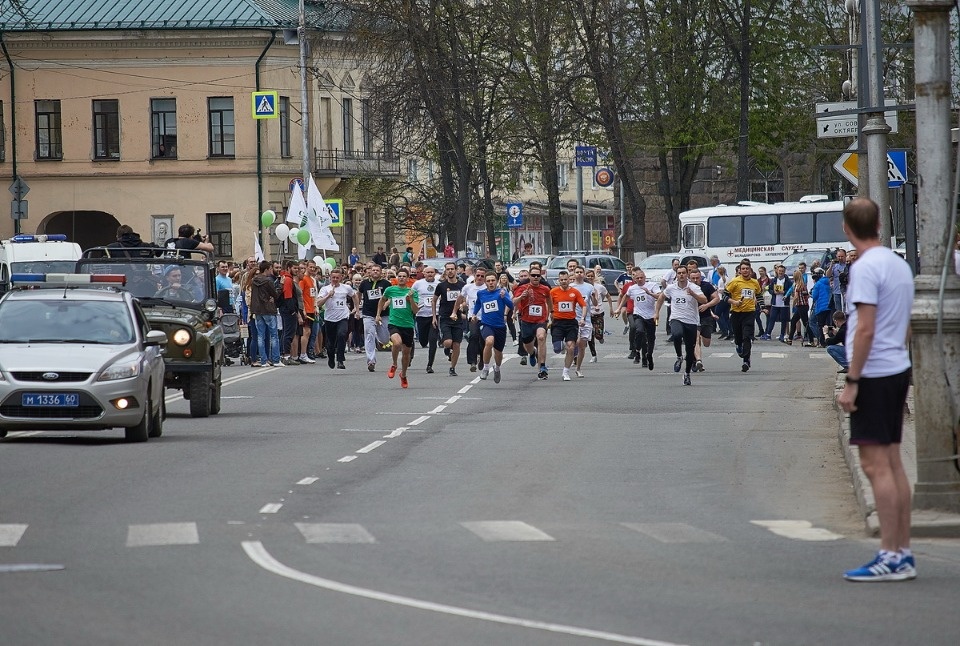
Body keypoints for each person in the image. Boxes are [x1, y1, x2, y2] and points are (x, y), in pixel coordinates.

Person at [836, 197, 915, 582]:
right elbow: (906, 323)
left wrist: (853, 381)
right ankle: (902, 551)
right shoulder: (898, 264)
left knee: (875, 465)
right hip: (895, 367)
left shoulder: (866, 268)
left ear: (846, 229)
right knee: (893, 462)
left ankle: (889, 554)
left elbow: (865, 327)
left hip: (874, 374)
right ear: (879, 225)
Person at [654, 265, 706, 385]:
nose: (681, 275)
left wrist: (693, 294)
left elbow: (704, 300)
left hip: (691, 321)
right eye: (679, 273)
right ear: (676, 275)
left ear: (687, 274)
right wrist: (656, 312)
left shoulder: (694, 287)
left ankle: (687, 374)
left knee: (690, 350)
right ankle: (679, 356)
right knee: (677, 334)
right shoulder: (671, 288)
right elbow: (661, 297)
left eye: (683, 273)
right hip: (676, 318)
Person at [376, 268, 419, 388]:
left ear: (408, 278)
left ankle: (403, 375)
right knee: (397, 342)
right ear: (397, 278)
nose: (401, 278)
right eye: (399, 276)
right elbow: (382, 301)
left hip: (408, 325)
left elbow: (415, 310)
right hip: (394, 323)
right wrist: (378, 314)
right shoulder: (390, 290)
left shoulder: (412, 292)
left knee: (406, 353)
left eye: (404, 276)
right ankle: (394, 364)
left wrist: (410, 300)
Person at [472, 272, 514, 383]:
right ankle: (485, 368)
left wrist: (504, 298)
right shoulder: (481, 293)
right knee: (489, 341)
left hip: (500, 326)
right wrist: (474, 314)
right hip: (486, 324)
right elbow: (478, 304)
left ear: (497, 281)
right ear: (485, 283)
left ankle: (497, 368)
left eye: (493, 280)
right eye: (488, 281)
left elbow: (511, 305)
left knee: (498, 353)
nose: (491, 283)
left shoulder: (502, 292)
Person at [513, 265, 552, 379]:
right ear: (529, 276)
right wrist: (521, 297)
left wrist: (552, 312)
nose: (535, 277)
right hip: (526, 320)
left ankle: (542, 367)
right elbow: (513, 302)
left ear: (540, 277)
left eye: (538, 275)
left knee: (541, 337)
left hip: (540, 320)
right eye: (533, 275)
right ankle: (532, 353)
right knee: (528, 345)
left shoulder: (545, 289)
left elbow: (549, 300)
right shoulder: (522, 288)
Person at [549, 270, 588, 382]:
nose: (563, 281)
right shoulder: (553, 292)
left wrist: (582, 318)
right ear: (558, 281)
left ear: (569, 280)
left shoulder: (574, 292)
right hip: (557, 323)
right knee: (557, 349)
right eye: (561, 280)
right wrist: (548, 318)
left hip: (571, 323)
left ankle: (566, 371)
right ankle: (561, 347)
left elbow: (583, 305)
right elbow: (548, 305)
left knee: (570, 347)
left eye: (565, 279)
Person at [317, 268, 359, 369]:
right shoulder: (325, 289)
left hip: (343, 317)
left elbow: (355, 296)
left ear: (341, 278)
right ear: (330, 278)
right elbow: (318, 303)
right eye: (333, 278)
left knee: (342, 335)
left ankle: (340, 360)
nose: (335, 279)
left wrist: (357, 309)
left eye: (337, 278)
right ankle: (331, 357)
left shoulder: (346, 288)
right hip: (330, 318)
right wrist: (328, 296)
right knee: (331, 342)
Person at [724, 260, 760, 372]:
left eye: (747, 269)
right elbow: (724, 296)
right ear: (740, 270)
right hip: (736, 313)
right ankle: (739, 346)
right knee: (739, 337)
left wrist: (763, 307)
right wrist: (734, 302)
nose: (745, 271)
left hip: (749, 312)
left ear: (750, 270)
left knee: (747, 336)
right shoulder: (735, 281)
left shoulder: (755, 282)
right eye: (743, 269)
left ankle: (746, 360)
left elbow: (759, 295)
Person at [433, 262, 466, 376]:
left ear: (456, 270)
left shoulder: (462, 285)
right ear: (445, 271)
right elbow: (434, 300)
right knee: (448, 342)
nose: (450, 271)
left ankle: (452, 368)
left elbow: (465, 300)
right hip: (445, 317)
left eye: (452, 269)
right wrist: (434, 317)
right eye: (448, 269)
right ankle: (447, 349)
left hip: (457, 318)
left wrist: (462, 306)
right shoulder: (441, 286)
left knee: (456, 344)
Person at [358, 264, 392, 372]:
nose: (375, 272)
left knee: (385, 339)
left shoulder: (386, 284)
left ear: (381, 272)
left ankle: (377, 338)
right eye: (373, 270)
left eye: (377, 270)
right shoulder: (364, 283)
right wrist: (357, 307)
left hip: (383, 314)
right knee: (369, 335)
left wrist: (386, 304)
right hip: (368, 314)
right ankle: (371, 361)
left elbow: (391, 297)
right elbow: (358, 294)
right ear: (370, 272)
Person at [250, 261, 281, 367]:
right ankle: (276, 359)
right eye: (270, 269)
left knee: (260, 336)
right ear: (267, 269)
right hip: (268, 309)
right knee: (274, 335)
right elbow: (275, 294)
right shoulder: (268, 281)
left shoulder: (254, 281)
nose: (271, 271)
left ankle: (263, 360)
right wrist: (280, 286)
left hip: (258, 310)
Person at [411, 266, 441, 373]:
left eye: (432, 272)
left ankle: (429, 365)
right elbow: (411, 295)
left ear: (434, 273)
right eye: (428, 272)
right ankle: (411, 352)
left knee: (433, 340)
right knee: (423, 341)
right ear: (424, 273)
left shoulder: (439, 284)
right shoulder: (418, 284)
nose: (430, 274)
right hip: (421, 315)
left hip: (435, 315)